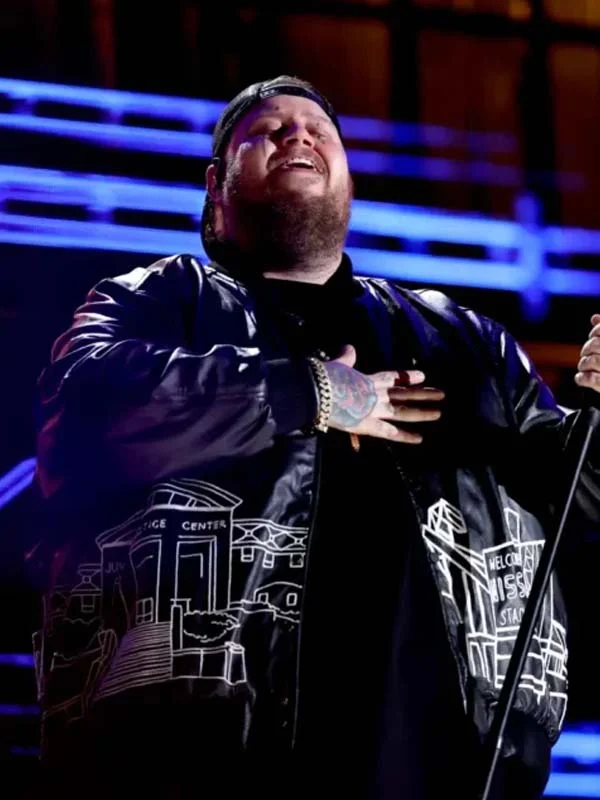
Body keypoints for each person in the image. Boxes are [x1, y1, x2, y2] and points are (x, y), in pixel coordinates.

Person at [30, 75, 600, 800]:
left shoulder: (463, 342)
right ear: (216, 183)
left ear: (349, 180)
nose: (298, 134)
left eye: (318, 129)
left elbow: (581, 496)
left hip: (446, 767)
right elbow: (81, 411)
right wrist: (311, 392)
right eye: (268, 130)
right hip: (205, 763)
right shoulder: (160, 301)